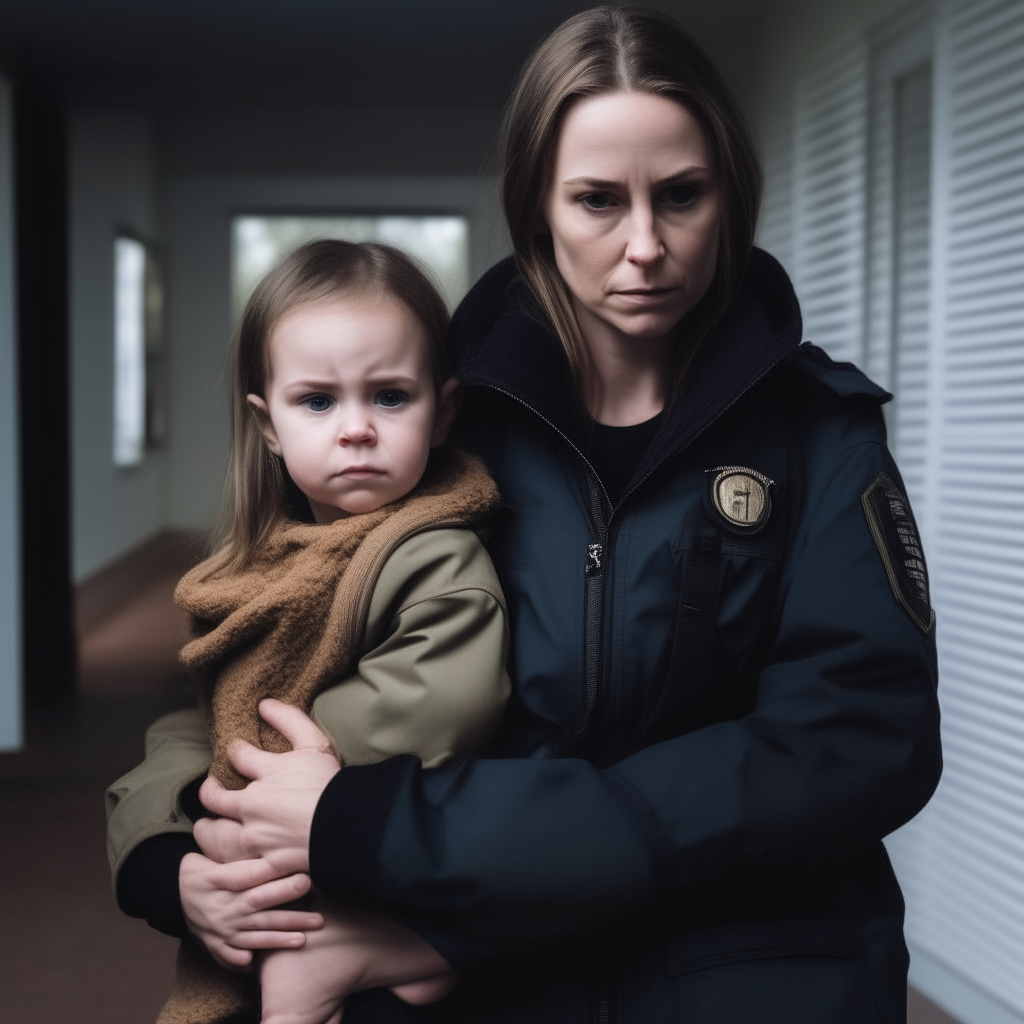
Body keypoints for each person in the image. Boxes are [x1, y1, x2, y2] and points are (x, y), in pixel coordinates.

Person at [109, 7, 942, 1022]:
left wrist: (380, 826)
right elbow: (256, 641)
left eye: (681, 195)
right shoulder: (427, 426)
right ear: (534, 208)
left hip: (753, 967)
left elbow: (853, 745)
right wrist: (184, 851)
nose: (645, 245)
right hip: (482, 980)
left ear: (731, 194)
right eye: (596, 200)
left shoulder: (821, 433)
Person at [105, 239, 510, 1024]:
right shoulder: (257, 565)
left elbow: (430, 707)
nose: (355, 428)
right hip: (257, 855)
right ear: (268, 424)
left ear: (444, 409)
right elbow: (203, 714)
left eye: (390, 397)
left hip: (369, 882)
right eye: (318, 401)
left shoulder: (437, 555)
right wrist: (175, 844)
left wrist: (231, 799)